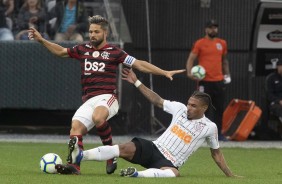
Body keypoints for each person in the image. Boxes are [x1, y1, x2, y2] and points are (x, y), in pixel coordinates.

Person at [28, 15, 185, 175]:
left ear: (105, 33)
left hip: (107, 97)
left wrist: (164, 72)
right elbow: (61, 51)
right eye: (90, 31)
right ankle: (75, 166)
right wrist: (41, 40)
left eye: (96, 31)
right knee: (75, 128)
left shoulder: (115, 52)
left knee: (98, 117)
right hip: (89, 100)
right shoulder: (82, 49)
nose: (92, 35)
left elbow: (139, 64)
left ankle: (111, 156)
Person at [55, 68, 240, 178]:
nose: (188, 107)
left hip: (169, 161)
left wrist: (230, 175)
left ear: (204, 108)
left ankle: (136, 175)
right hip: (153, 148)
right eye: (189, 103)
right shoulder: (179, 109)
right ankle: (79, 156)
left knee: (174, 173)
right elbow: (157, 100)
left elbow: (216, 153)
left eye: (193, 106)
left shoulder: (210, 127)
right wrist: (136, 83)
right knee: (123, 148)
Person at [186, 19, 231, 141]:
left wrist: (227, 74)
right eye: (211, 27)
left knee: (219, 108)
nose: (213, 29)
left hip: (219, 81)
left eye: (215, 27)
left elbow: (225, 60)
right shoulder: (200, 43)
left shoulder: (222, 43)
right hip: (204, 82)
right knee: (201, 108)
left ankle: (218, 134)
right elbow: (191, 59)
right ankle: (199, 134)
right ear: (206, 29)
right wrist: (190, 73)